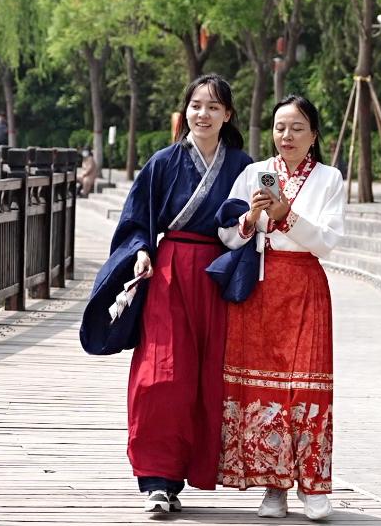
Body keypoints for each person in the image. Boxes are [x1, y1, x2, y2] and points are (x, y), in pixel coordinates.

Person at [79, 74, 253, 513]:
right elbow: (136, 221)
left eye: (213, 107)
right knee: (161, 375)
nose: (203, 114)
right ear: (185, 111)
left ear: (227, 115)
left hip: (217, 276)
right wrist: (140, 250)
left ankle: (189, 470)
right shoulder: (162, 162)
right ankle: (157, 478)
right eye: (196, 105)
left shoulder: (243, 167)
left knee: (206, 377)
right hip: (170, 273)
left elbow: (252, 224)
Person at [216, 95, 345, 521]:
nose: (287, 136)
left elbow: (327, 242)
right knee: (266, 388)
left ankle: (313, 486)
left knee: (306, 385)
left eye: (297, 128)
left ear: (314, 134)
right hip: (260, 285)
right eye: (279, 128)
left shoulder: (329, 179)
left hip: (305, 284)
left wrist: (287, 216)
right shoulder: (254, 173)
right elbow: (226, 236)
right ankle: (274, 488)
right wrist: (249, 220)